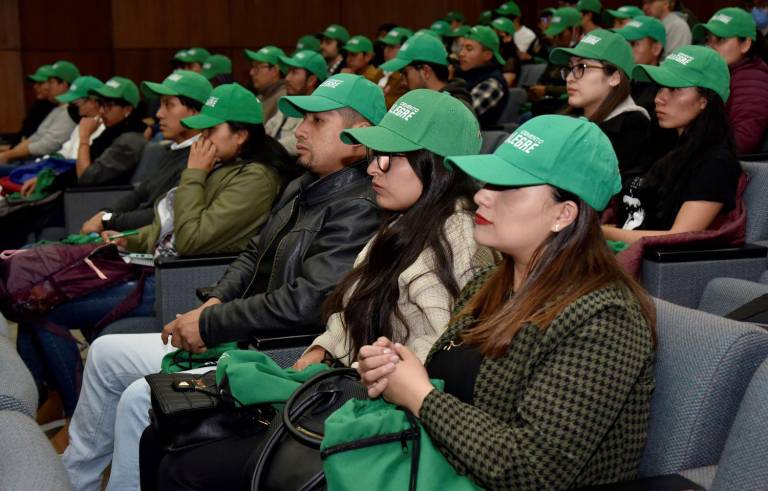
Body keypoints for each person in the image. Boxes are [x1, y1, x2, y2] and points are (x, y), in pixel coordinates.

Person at [143, 89, 489, 490]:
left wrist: (356, 374)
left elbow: (436, 360)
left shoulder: (457, 240)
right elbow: (350, 303)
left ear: (438, 167)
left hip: (384, 417)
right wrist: (322, 348)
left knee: (183, 466)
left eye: (390, 157)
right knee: (166, 436)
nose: (374, 168)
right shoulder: (401, 223)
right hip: (347, 388)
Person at [60, 74, 384, 491]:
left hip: (272, 350)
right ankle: (73, 479)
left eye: (316, 122)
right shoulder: (305, 184)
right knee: (104, 352)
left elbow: (308, 301)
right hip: (239, 329)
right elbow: (251, 253)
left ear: (359, 137)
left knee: (142, 398)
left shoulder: (359, 204)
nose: (299, 131)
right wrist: (214, 303)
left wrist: (214, 323)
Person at [357, 114, 656, 490]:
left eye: (508, 187)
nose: (482, 194)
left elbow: (534, 470)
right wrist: (397, 370)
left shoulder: (605, 318)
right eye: (488, 181)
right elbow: (455, 393)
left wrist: (420, 396)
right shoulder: (487, 284)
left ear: (563, 214)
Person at [18, 82, 287, 454]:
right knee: (40, 298)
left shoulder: (255, 179)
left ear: (241, 135)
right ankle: (63, 404)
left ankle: (73, 411)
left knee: (49, 306)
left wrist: (194, 172)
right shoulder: (224, 167)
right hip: (152, 265)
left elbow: (191, 239)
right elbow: (168, 225)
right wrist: (127, 238)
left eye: (211, 131)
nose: (202, 139)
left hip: (177, 281)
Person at [604, 45, 742, 244]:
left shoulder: (716, 162)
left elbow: (679, 237)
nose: (659, 98)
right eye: (660, 87)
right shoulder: (661, 145)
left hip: (653, 267)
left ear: (704, 100)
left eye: (674, 89)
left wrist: (599, 234)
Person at [80, 70, 212, 235]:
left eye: (169, 105)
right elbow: (139, 194)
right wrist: (102, 214)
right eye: (160, 105)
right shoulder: (173, 149)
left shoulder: (201, 158)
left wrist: (107, 221)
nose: (158, 114)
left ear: (196, 112)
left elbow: (164, 213)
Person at [19, 76, 147, 197]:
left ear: (128, 109)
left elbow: (86, 178)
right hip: (77, 196)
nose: (102, 111)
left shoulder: (128, 142)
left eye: (109, 106)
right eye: (102, 104)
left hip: (87, 202)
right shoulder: (112, 132)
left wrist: (84, 137)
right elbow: (77, 170)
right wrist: (48, 181)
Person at [550, 28, 652, 179]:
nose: (569, 78)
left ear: (614, 78)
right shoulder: (570, 116)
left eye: (581, 67)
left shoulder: (632, 127)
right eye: (571, 68)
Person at [694, 7, 768, 154]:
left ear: (745, 44)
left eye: (721, 39)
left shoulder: (751, 78)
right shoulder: (724, 73)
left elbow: (743, 139)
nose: (711, 47)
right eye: (708, 39)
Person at [0, 60, 80, 165]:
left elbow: (47, 146)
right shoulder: (57, 109)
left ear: (64, 85)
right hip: (34, 161)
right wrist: (8, 154)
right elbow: (35, 137)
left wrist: (8, 155)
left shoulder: (70, 111)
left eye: (51, 82)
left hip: (44, 164)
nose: (47, 87)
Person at [380, 32, 474, 111]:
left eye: (404, 73)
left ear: (425, 71)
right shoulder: (425, 102)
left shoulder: (455, 109)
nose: (402, 82)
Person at [265, 49, 327, 155]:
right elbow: (268, 128)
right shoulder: (290, 99)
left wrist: (264, 150)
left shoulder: (319, 110)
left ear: (311, 80)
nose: (287, 78)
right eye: (288, 72)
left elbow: (297, 143)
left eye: (294, 72)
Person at [528, 7, 582, 107]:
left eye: (560, 34)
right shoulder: (557, 52)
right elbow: (544, 77)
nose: (556, 39)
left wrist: (547, 90)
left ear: (576, 30)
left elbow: (580, 87)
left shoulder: (584, 56)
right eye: (554, 35)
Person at [457, 25, 510, 128]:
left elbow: (459, 117)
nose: (461, 54)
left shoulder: (493, 83)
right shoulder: (465, 74)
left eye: (469, 49)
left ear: (487, 55)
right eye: (462, 48)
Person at [616, 15, 666, 112]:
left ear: (656, 48)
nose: (626, 49)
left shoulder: (661, 95)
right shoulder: (621, 78)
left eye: (633, 44)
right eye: (625, 43)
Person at [55, 76, 106, 160]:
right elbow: (67, 149)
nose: (71, 105)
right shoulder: (84, 122)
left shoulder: (104, 128)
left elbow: (78, 158)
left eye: (75, 102)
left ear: (93, 101)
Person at [8, 64, 57, 146]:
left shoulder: (63, 108)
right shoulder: (39, 105)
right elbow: (24, 133)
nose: (35, 86)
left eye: (40, 83)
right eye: (35, 83)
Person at [244, 45, 287, 122]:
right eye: (253, 66)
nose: (251, 72)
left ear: (274, 70)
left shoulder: (283, 101)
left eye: (257, 67)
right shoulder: (261, 96)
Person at [377, 26, 412, 107]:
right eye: (385, 46)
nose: (386, 51)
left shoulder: (406, 77)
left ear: (405, 48)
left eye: (391, 46)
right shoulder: (380, 71)